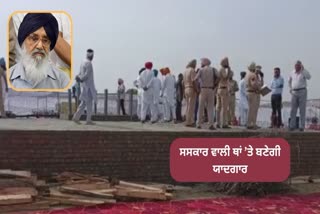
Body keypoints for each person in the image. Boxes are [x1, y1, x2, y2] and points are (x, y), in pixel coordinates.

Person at [9, 13, 70, 89]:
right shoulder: (7, 77)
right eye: (34, 39)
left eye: (45, 40)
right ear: (23, 40)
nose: (40, 46)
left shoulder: (62, 80)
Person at [72, 49, 97, 125]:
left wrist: (79, 78)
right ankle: (88, 120)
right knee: (88, 103)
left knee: (83, 103)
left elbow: (80, 73)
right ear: (91, 55)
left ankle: (76, 118)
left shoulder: (83, 62)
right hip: (89, 87)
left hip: (84, 86)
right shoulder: (89, 63)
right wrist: (81, 79)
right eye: (92, 56)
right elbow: (86, 75)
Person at [288, 60, 311, 131]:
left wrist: (303, 70)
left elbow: (309, 77)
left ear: (300, 65)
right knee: (293, 110)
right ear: (294, 66)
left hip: (302, 91)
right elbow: (289, 81)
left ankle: (302, 126)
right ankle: (292, 126)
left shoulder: (303, 72)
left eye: (298, 65)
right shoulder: (292, 72)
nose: (297, 66)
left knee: (302, 109)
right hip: (294, 92)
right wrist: (291, 88)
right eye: (296, 65)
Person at [194, 58, 216, 130]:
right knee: (210, 108)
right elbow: (219, 77)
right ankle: (211, 124)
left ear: (204, 63)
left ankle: (198, 124)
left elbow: (195, 79)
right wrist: (215, 84)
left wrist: (197, 89)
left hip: (203, 89)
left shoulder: (201, 70)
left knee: (200, 107)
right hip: (210, 89)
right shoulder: (213, 69)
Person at [216, 57, 233, 129]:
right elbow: (225, 77)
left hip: (219, 89)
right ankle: (224, 123)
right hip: (223, 89)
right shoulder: (222, 69)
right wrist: (229, 70)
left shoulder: (220, 69)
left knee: (218, 107)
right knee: (224, 107)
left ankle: (217, 122)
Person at [246, 63, 263, 129]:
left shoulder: (247, 74)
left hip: (251, 93)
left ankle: (252, 123)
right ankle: (250, 124)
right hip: (253, 93)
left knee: (252, 109)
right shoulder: (252, 75)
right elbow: (254, 85)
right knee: (252, 109)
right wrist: (259, 88)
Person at [183, 59, 197, 127]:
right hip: (191, 88)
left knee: (187, 106)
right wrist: (197, 89)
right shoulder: (192, 70)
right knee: (191, 106)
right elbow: (193, 81)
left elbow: (183, 82)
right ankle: (190, 121)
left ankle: (187, 120)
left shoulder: (185, 71)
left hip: (186, 88)